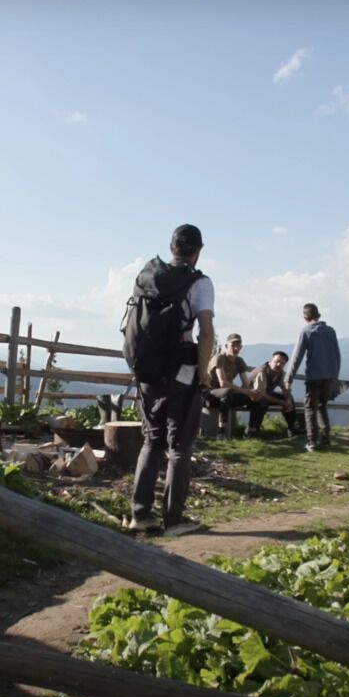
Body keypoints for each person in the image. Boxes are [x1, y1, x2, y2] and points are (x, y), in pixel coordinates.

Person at [125, 224, 214, 537]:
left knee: (152, 441)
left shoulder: (147, 276)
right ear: (197, 251)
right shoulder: (199, 282)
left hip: (146, 368)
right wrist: (204, 372)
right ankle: (174, 521)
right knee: (179, 446)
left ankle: (140, 515)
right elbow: (206, 332)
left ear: (172, 247)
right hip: (181, 370)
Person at [287, 302, 341, 452]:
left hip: (314, 377)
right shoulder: (331, 331)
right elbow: (337, 355)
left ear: (305, 317)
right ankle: (326, 437)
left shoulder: (306, 331)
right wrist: (334, 376)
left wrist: (288, 378)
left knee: (310, 408)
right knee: (322, 406)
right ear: (318, 315)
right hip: (329, 376)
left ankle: (312, 441)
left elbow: (297, 356)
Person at [246, 350, 303, 438]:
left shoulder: (279, 372)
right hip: (249, 396)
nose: (278, 364)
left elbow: (284, 388)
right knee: (262, 403)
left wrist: (287, 400)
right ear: (271, 361)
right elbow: (261, 394)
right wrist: (282, 403)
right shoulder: (262, 371)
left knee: (288, 398)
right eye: (276, 361)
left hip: (264, 393)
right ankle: (252, 431)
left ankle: (292, 428)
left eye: (282, 363)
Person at [204, 333, 251, 439]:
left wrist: (252, 393)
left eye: (238, 345)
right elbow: (223, 383)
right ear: (226, 346)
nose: (236, 348)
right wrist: (245, 391)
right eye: (233, 345)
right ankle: (222, 430)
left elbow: (246, 384)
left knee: (254, 398)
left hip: (226, 395)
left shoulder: (239, 361)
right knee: (228, 391)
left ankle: (251, 431)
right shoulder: (220, 358)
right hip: (209, 394)